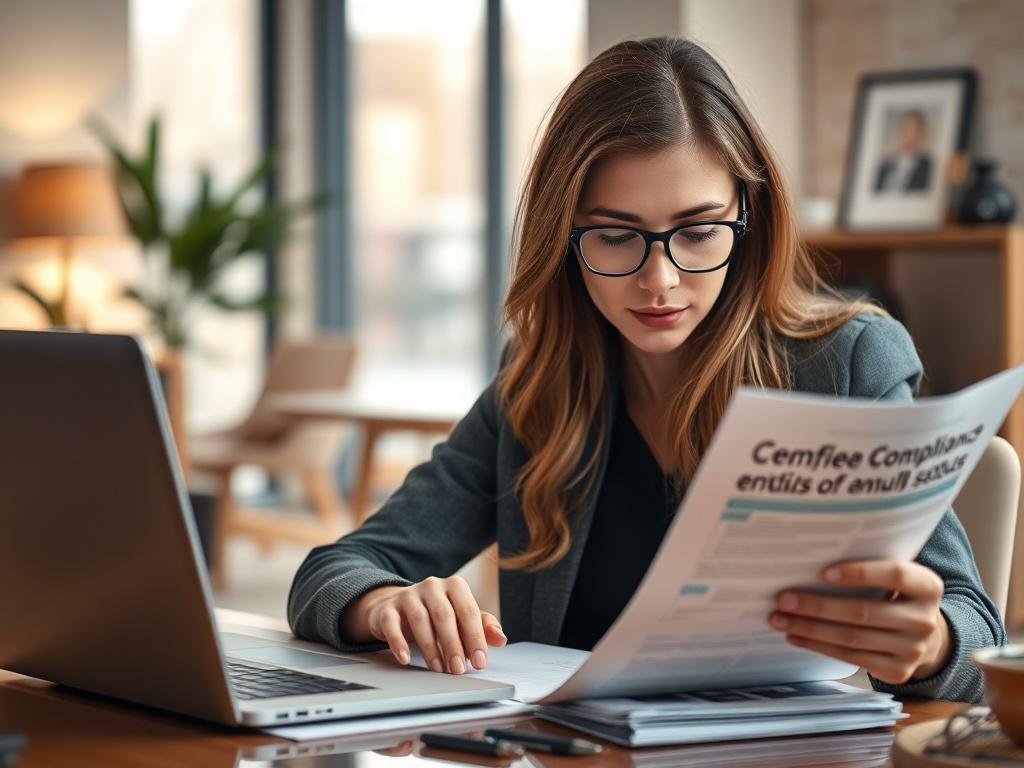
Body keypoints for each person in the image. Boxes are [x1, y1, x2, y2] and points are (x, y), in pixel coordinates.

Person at [288, 37, 1003, 703]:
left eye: (697, 232)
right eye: (614, 235)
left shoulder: (847, 363)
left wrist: (932, 643)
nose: (659, 280)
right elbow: (332, 571)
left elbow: (978, 633)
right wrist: (382, 602)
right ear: (563, 237)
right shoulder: (538, 385)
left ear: (747, 219)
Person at [873, 109, 934, 194]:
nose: (909, 136)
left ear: (920, 134)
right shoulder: (885, 165)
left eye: (914, 131)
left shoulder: (926, 165)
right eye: (906, 129)